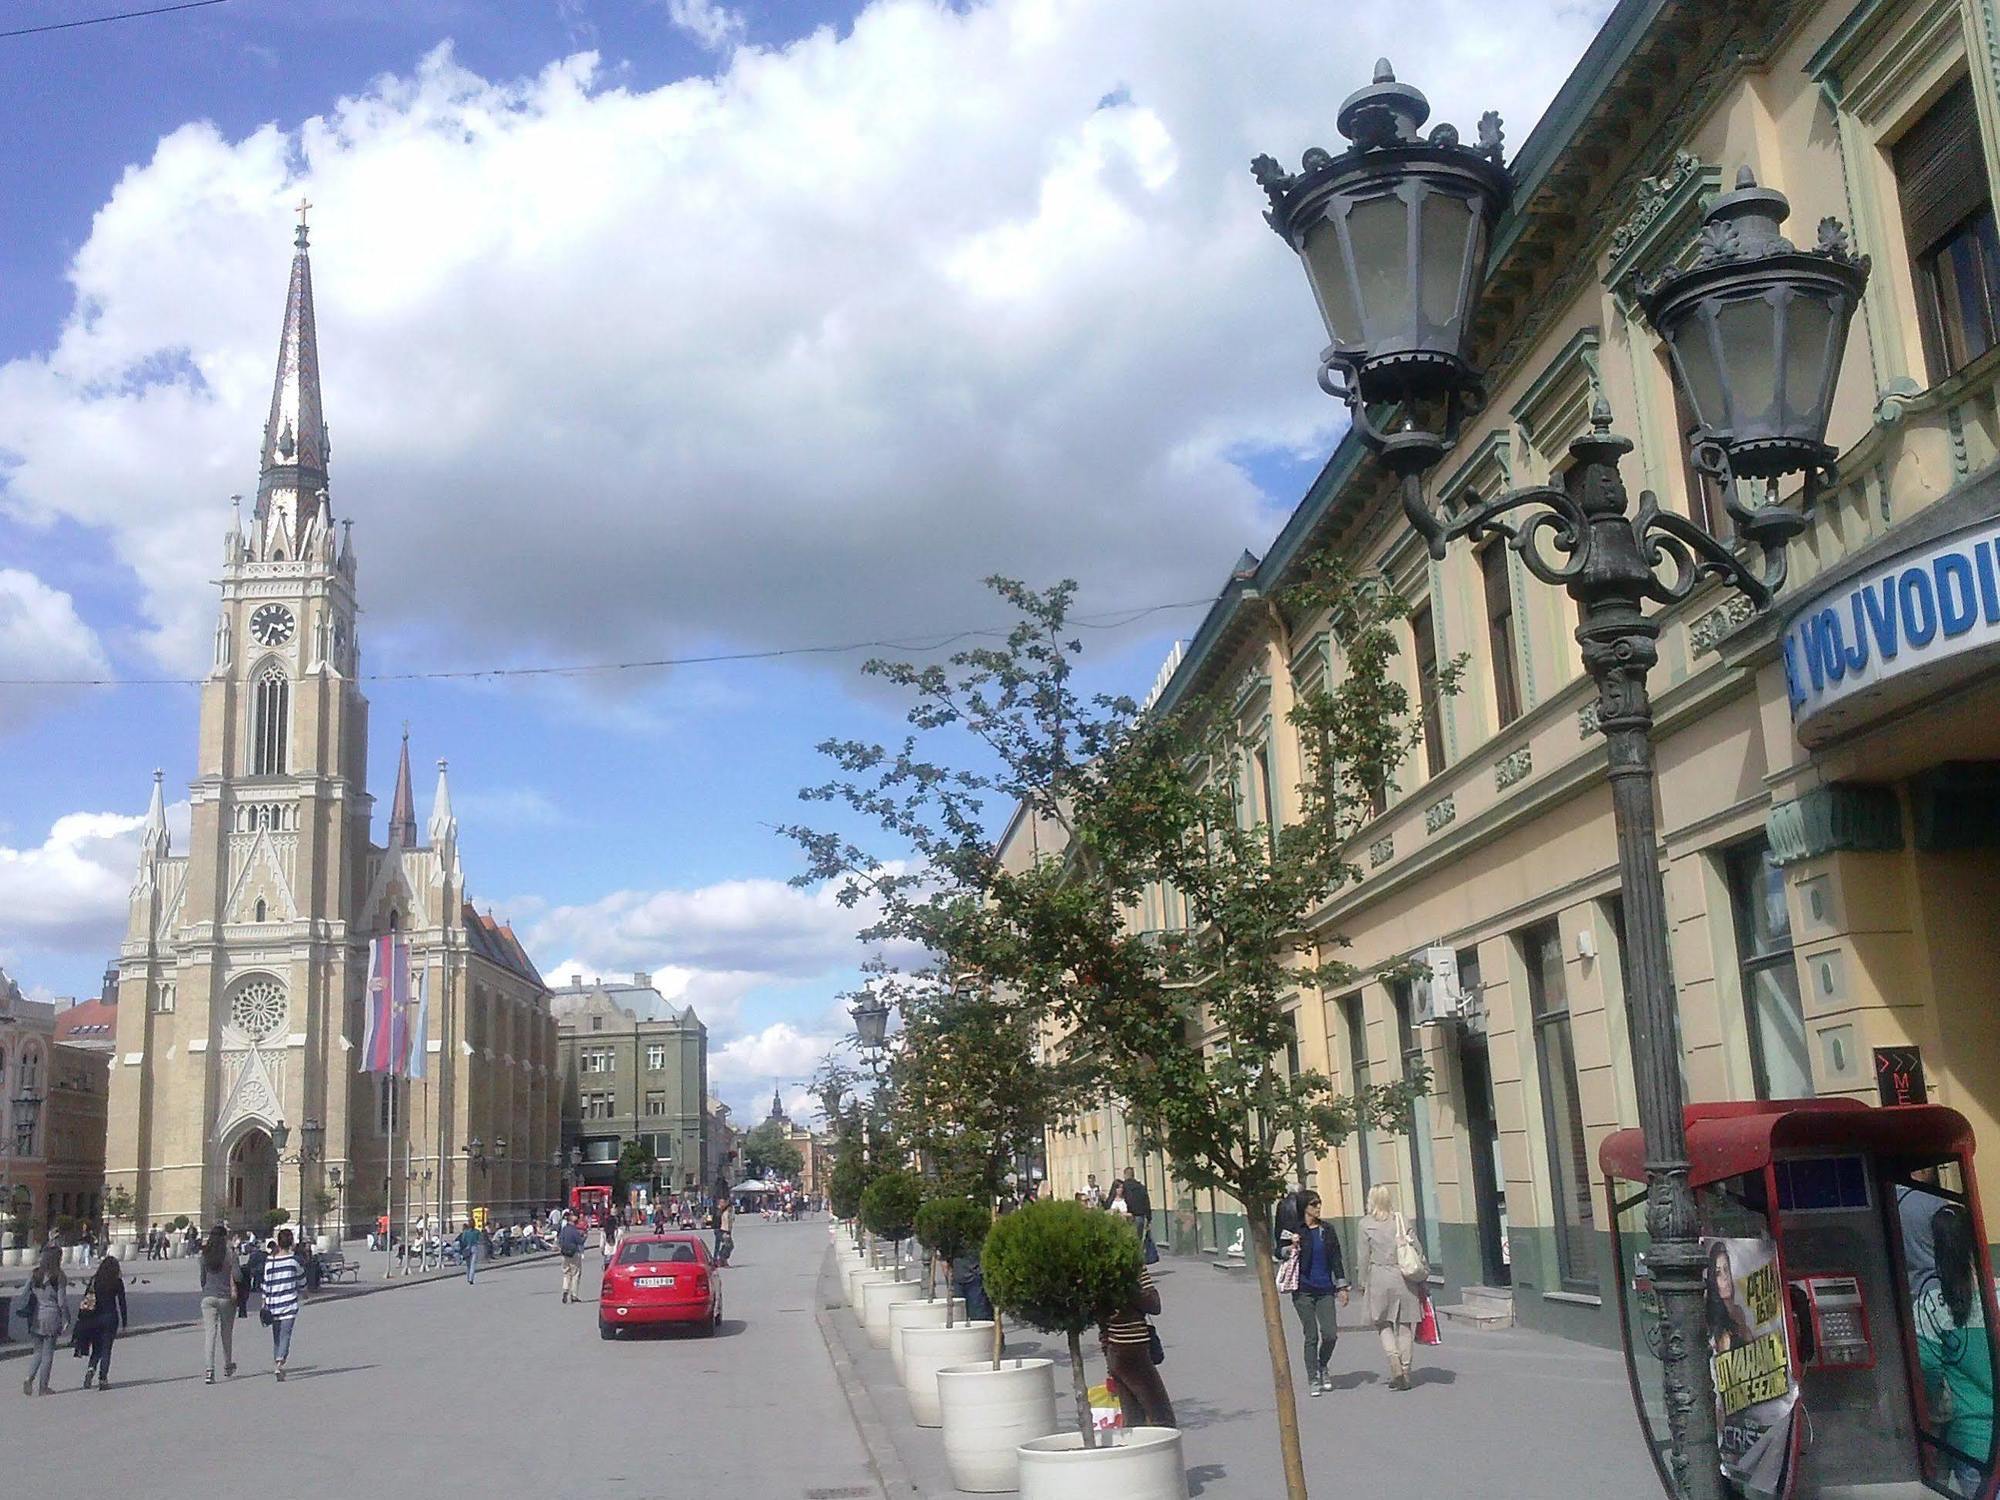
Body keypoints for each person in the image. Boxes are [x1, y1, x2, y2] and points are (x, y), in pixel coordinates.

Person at [1279, 1191, 1349, 1396]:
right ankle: (1313, 1378)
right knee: (1311, 1336)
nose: (1318, 1207)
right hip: (1303, 1290)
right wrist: (1290, 1247)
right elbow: (1278, 1251)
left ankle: (1322, 1365)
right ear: (1304, 1208)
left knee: (1330, 1334)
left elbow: (1336, 1258)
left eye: (1319, 1203)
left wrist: (1342, 1286)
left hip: (1325, 1289)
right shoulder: (1295, 1230)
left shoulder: (1327, 1230)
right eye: (1313, 1204)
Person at [1356, 1183, 1424, 1391]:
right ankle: (1405, 1370)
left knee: (1382, 1322)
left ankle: (1394, 1362)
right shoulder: (1401, 1220)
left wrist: (1361, 1281)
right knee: (1405, 1325)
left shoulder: (1365, 1224)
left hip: (1378, 1276)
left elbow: (1363, 1256)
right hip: (1403, 1277)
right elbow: (1417, 1249)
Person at [1101, 1259, 1174, 1428]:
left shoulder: (1099, 1269)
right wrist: (1130, 1286)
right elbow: (1154, 1305)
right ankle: (1161, 1454)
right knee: (1162, 1418)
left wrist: (1108, 1355)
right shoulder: (1131, 1267)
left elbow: (1102, 1321)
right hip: (1133, 1350)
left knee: (1134, 1420)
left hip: (1115, 1349)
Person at [14, 1248, 70, 1396]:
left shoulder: (35, 1274)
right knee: (48, 1354)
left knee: (37, 1352)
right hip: (52, 1317)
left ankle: (29, 1377)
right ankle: (43, 1387)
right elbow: (62, 1302)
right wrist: (66, 1318)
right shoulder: (59, 1276)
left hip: (36, 1316)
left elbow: (24, 1293)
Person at [72, 1253, 127, 1391]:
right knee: (106, 1349)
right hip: (110, 1317)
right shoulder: (117, 1282)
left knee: (96, 1348)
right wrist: (125, 1321)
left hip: (94, 1318)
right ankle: (103, 1379)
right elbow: (122, 1302)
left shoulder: (95, 1280)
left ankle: (91, 1369)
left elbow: (87, 1298)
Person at [260, 1228, 305, 1381]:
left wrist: (264, 1301)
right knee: (285, 1335)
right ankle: (280, 1363)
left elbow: (265, 1284)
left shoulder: (269, 1262)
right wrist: (303, 1291)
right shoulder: (293, 1261)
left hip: (273, 1305)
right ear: (291, 1243)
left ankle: (277, 1363)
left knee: (277, 1337)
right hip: (289, 1304)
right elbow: (302, 1279)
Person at [198, 1226, 239, 1384]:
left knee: (210, 1334)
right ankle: (228, 1365)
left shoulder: (204, 1255)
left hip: (208, 1296)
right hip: (225, 1297)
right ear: (224, 1237)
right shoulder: (230, 1255)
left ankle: (209, 1371)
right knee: (226, 1333)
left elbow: (202, 1279)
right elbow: (238, 1276)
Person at [1704, 1241, 1757, 1352]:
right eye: (1718, 1273)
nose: (1725, 1277)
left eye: (1726, 1269)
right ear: (1712, 1280)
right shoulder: (1714, 1318)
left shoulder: (1738, 1311)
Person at [1121, 1167, 1155, 1259]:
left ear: (1125, 1175)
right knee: (1138, 1240)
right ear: (1133, 1174)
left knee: (1126, 1240)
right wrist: (1149, 1218)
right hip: (1140, 1216)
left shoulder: (1122, 1187)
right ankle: (1137, 1259)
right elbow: (1146, 1202)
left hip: (1126, 1216)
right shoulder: (1140, 1187)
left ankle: (1130, 1260)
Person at [557, 1212, 586, 1303]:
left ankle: (565, 1290)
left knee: (566, 1273)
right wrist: (584, 1237)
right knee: (575, 1274)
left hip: (565, 1254)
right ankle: (574, 1295)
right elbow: (580, 1242)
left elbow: (560, 1241)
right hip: (574, 1253)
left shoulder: (564, 1229)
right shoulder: (574, 1230)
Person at [457, 1219, 481, 1285]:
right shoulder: (477, 1231)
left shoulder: (465, 1232)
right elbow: (479, 1240)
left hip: (467, 1248)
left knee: (468, 1264)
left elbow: (463, 1240)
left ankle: (468, 1277)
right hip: (474, 1247)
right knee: (473, 1264)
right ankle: (471, 1278)